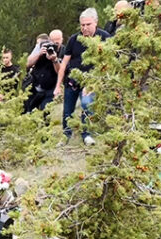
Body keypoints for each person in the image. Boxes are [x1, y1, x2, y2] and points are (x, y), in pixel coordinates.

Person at [54, 8, 111, 144]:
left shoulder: (105, 38)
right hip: (72, 80)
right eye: (82, 25)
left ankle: (86, 135)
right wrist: (58, 86)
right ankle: (65, 136)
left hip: (92, 81)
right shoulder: (74, 39)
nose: (84, 28)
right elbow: (64, 64)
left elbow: (108, 64)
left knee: (87, 104)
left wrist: (96, 84)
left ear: (96, 23)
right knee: (68, 110)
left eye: (88, 24)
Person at [24, 30, 64, 112]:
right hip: (35, 84)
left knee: (45, 111)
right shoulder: (41, 46)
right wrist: (39, 54)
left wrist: (54, 60)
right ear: (49, 39)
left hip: (50, 87)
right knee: (29, 110)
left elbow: (60, 72)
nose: (55, 42)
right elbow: (27, 64)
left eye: (58, 40)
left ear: (62, 39)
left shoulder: (64, 51)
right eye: (53, 40)